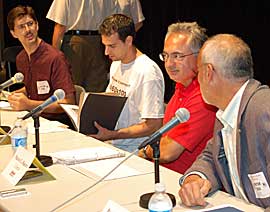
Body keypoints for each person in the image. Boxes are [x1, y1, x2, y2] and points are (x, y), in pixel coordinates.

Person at [178, 34, 270, 209]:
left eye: (197, 73)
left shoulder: (263, 111)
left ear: (208, 72)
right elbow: (212, 156)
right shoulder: (227, 110)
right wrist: (196, 178)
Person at [138, 22, 216, 174]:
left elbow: (167, 152)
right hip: (162, 175)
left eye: (177, 56)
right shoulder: (181, 86)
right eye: (166, 56)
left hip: (184, 182)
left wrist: (146, 149)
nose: (169, 63)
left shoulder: (204, 97)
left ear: (200, 57)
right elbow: (164, 138)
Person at [90, 14, 165, 152]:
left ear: (129, 40)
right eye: (104, 46)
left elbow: (154, 125)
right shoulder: (116, 63)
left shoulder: (147, 72)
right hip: (112, 142)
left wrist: (114, 134)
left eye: (112, 46)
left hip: (133, 150)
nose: (106, 52)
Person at [7, 5, 75, 127]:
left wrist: (28, 104)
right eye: (21, 27)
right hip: (32, 120)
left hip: (57, 125)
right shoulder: (21, 58)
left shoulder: (55, 58)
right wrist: (17, 95)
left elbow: (68, 102)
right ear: (13, 33)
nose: (28, 30)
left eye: (30, 24)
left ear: (37, 25)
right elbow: (35, 87)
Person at [46, 0, 120, 92]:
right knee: (96, 90)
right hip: (100, 43)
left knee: (71, 90)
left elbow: (60, 25)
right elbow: (114, 21)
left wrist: (54, 56)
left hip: (75, 44)